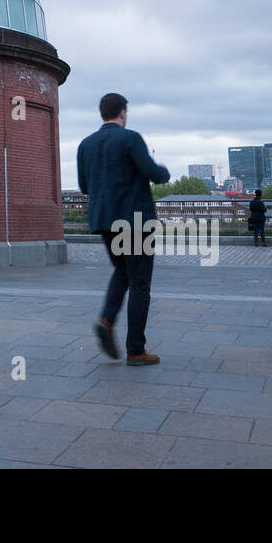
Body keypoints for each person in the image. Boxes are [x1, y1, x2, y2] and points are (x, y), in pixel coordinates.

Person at [77, 92, 170, 366]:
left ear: (102, 113)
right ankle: (136, 350)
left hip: (104, 221)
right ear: (123, 112)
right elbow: (154, 174)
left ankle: (106, 318)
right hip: (135, 222)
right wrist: (162, 169)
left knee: (122, 271)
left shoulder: (85, 144)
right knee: (140, 283)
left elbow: (84, 187)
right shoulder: (130, 138)